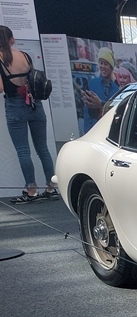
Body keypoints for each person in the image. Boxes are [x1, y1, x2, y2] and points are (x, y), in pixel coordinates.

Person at [0, 26, 57, 204]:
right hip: (35, 105)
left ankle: (31, 190)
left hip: (15, 107)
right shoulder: (25, 56)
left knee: (23, 150)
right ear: (11, 39)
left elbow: (1, 88)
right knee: (43, 149)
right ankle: (51, 187)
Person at [82, 46, 118, 132]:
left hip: (110, 131)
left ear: (111, 67)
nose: (103, 66)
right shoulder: (92, 84)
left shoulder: (116, 89)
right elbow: (87, 112)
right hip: (94, 130)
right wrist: (87, 132)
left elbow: (116, 111)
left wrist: (101, 104)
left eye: (106, 64)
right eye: (101, 63)